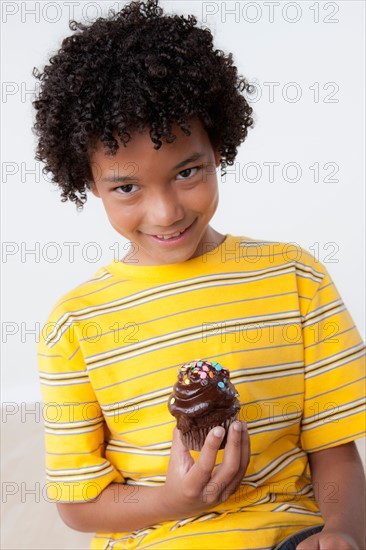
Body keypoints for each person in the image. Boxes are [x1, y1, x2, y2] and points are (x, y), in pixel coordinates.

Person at [34, 1, 365, 548]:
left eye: (187, 172)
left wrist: (342, 532)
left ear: (218, 147)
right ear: (89, 182)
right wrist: (172, 501)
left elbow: (335, 451)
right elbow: (79, 504)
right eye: (126, 187)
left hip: (287, 533)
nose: (166, 212)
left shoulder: (296, 279)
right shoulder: (75, 324)